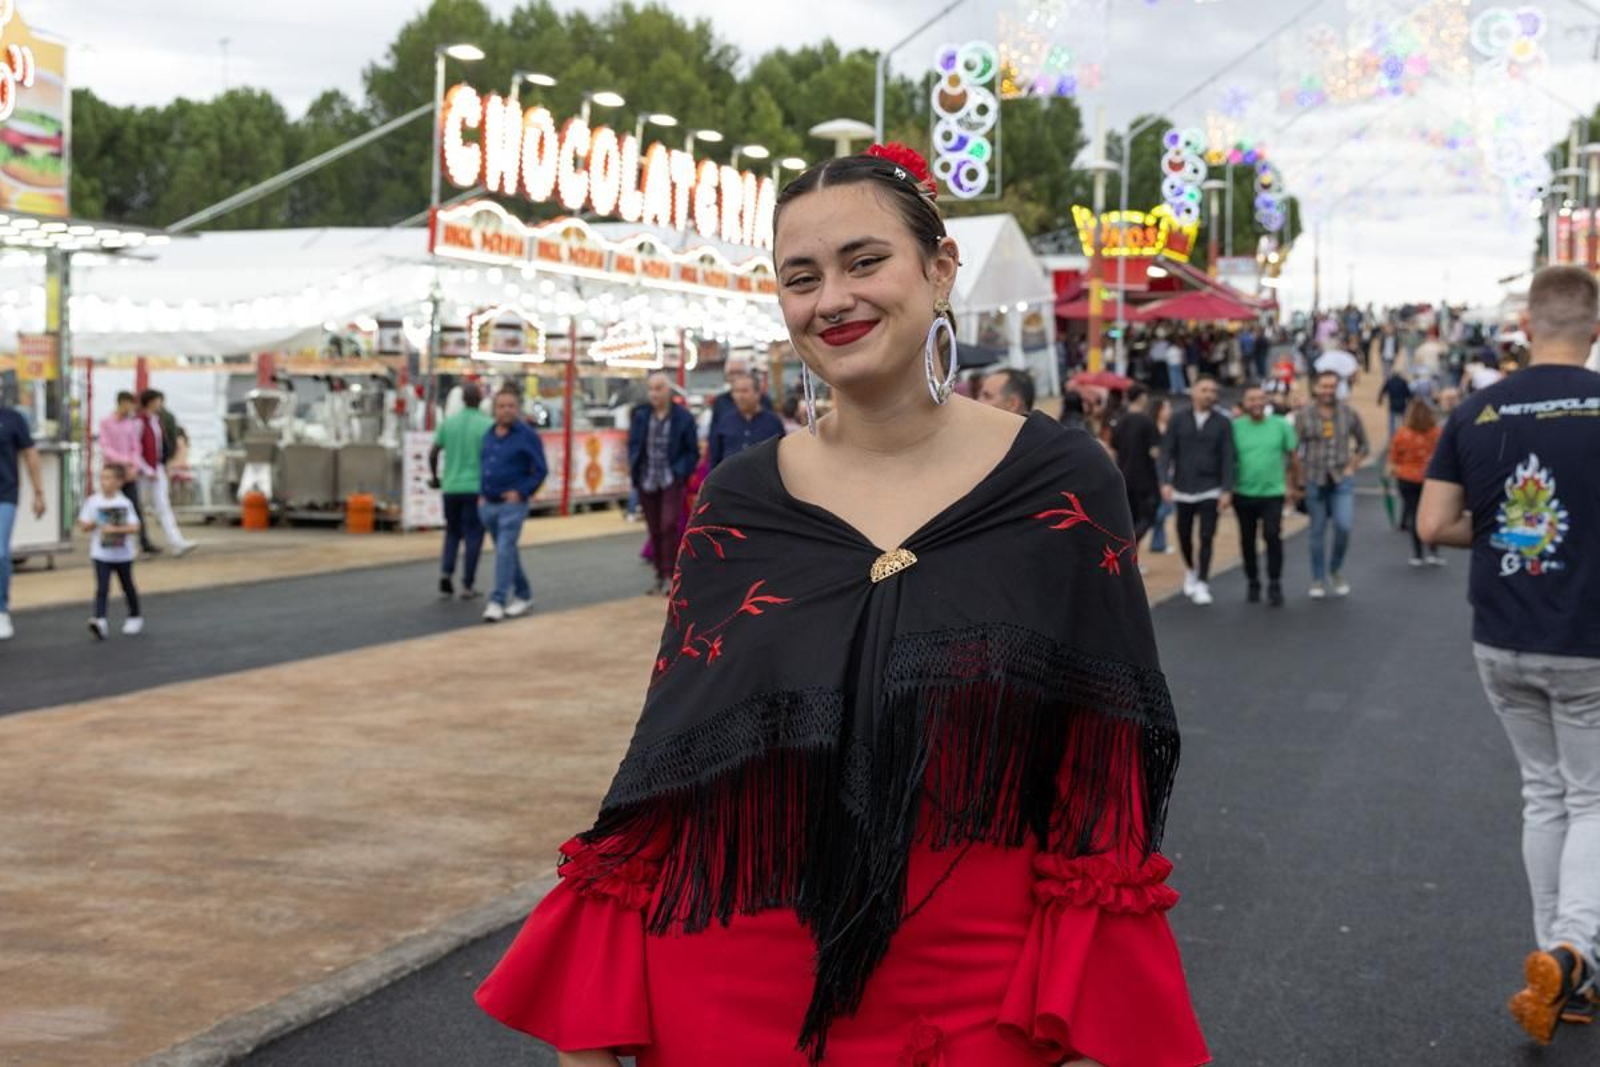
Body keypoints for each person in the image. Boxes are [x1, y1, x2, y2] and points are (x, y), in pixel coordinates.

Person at [476, 144, 1207, 1067]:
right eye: (801, 277)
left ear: (940, 268)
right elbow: (674, 754)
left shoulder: (1062, 483)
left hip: (975, 1005)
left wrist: (1082, 1011)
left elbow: (1098, 765)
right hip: (724, 997)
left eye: (866, 262)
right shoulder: (739, 498)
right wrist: (589, 1021)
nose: (833, 300)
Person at [1419, 265, 1600, 1045]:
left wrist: (1500, 534)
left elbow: (1432, 523)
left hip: (1502, 635)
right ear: (1594, 326)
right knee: (1593, 796)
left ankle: (1556, 969)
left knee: (1543, 793)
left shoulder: (1477, 408)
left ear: (1527, 324)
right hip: (1588, 635)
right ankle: (1578, 951)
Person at [1292, 369, 1371, 598]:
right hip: (1314, 478)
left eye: (1332, 386)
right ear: (1315, 388)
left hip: (1340, 479)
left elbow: (1364, 445)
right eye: (1324, 386)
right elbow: (1293, 449)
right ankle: (1317, 578)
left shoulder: (1348, 414)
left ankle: (1335, 569)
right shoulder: (1304, 415)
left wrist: (1351, 467)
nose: (1328, 391)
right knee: (1317, 530)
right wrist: (1298, 480)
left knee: (1344, 526)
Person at [1160, 375, 1233, 606]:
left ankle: (1202, 581)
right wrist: (1165, 481)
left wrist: (1226, 489)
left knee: (1207, 535)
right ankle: (1191, 568)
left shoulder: (1223, 421)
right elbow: (1166, 452)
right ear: (1193, 392)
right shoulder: (1178, 419)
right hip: (1183, 486)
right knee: (1184, 533)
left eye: (1213, 390)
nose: (1210, 394)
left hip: (1211, 487)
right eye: (1205, 390)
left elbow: (1228, 457)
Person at [477, 387, 548, 623]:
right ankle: (524, 594)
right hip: (488, 504)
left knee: (505, 550)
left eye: (510, 406)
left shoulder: (527, 435)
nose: (506, 410)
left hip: (512, 506)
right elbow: (484, 463)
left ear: (517, 409)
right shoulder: (488, 434)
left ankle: (497, 600)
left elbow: (540, 469)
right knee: (506, 553)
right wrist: (482, 495)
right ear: (494, 409)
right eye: (501, 406)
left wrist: (522, 491)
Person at [628, 372, 698, 596]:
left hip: (670, 479)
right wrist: (635, 470)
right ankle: (659, 574)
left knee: (669, 525)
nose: (654, 393)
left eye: (659, 388)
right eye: (651, 389)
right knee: (654, 528)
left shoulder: (683, 418)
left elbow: (692, 451)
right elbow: (633, 445)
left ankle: (670, 574)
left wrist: (680, 472)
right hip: (647, 479)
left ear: (669, 390)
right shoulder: (640, 416)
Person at [1231, 383, 1298, 606]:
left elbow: (1293, 457)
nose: (1256, 403)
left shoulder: (1280, 425)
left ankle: (1275, 582)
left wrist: (1293, 486)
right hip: (1243, 492)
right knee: (1247, 540)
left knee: (1272, 535)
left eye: (1260, 399)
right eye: (1251, 399)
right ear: (1244, 403)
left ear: (1267, 401)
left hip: (1273, 491)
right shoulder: (1235, 427)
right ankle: (1252, 580)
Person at [430, 380, 493, 599]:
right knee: (474, 535)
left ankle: (446, 573)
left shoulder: (449, 423)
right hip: (476, 488)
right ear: (480, 400)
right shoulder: (487, 425)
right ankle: (467, 584)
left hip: (451, 487)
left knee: (452, 532)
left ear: (463, 399)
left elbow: (433, 452)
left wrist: (435, 477)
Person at [78, 463, 143, 640]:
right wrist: (95, 524)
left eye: (108, 478)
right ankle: (100, 619)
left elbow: (134, 526)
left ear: (119, 482)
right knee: (102, 588)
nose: (104, 482)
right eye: (102, 478)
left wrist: (115, 530)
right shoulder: (93, 501)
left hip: (123, 554)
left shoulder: (124, 502)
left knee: (127, 585)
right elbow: (83, 524)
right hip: (101, 554)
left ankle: (134, 615)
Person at [0, 399, 45, 640]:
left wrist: (39, 492)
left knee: (0, 552)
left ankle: (1, 610)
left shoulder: (13, 418)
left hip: (4, 494)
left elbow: (30, 453)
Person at [137, 390, 196, 556]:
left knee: (163, 505)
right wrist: (145, 468)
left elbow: (162, 445)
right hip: (142, 471)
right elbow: (135, 447)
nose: (159, 404)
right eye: (157, 401)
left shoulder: (157, 421)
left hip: (158, 468)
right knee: (136, 507)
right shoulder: (140, 421)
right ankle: (137, 542)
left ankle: (176, 541)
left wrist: (164, 463)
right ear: (149, 402)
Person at [98, 392, 157, 555]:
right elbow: (105, 446)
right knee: (112, 506)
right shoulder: (106, 422)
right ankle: (113, 541)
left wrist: (133, 466)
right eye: (129, 404)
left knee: (134, 506)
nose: (131, 408)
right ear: (121, 403)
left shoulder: (131, 424)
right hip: (112, 469)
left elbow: (136, 447)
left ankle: (143, 541)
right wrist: (124, 461)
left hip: (128, 470)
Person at [1386, 398, 1442, 567]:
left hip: (1407, 477)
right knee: (1432, 514)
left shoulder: (1402, 434)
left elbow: (1394, 457)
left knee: (1414, 514)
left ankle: (1418, 554)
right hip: (1431, 477)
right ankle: (1433, 550)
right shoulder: (1436, 433)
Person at [1111, 383, 1161, 549]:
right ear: (1142, 398)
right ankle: (1130, 547)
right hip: (1145, 478)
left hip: (1124, 477)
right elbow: (1155, 451)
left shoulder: (1120, 421)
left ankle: (1132, 557)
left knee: (1129, 519)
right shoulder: (1147, 422)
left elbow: (1114, 446)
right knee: (1147, 516)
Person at [708, 372, 785, 469]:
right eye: (736, 391)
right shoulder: (725, 421)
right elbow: (715, 455)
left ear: (757, 393)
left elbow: (782, 456)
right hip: (730, 481)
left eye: (744, 391)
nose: (740, 396)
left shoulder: (773, 422)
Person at [709, 357, 774, 427]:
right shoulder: (720, 401)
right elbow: (714, 432)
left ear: (747, 374)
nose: (735, 376)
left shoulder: (763, 400)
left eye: (739, 372)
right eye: (731, 373)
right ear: (726, 376)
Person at [1148, 396, 1175, 554]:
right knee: (1163, 508)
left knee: (1166, 507)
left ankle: (1158, 542)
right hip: (1156, 471)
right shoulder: (1153, 427)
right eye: (1166, 407)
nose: (1169, 411)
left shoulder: (1171, 427)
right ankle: (1155, 538)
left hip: (1170, 470)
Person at [1379, 365, 1413, 445]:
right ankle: (1405, 435)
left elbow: (1382, 391)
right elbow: (1408, 394)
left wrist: (1379, 400)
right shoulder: (1403, 382)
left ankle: (1392, 438)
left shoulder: (1389, 381)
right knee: (1404, 422)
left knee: (1392, 423)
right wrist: (1410, 401)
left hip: (1392, 405)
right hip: (1402, 405)